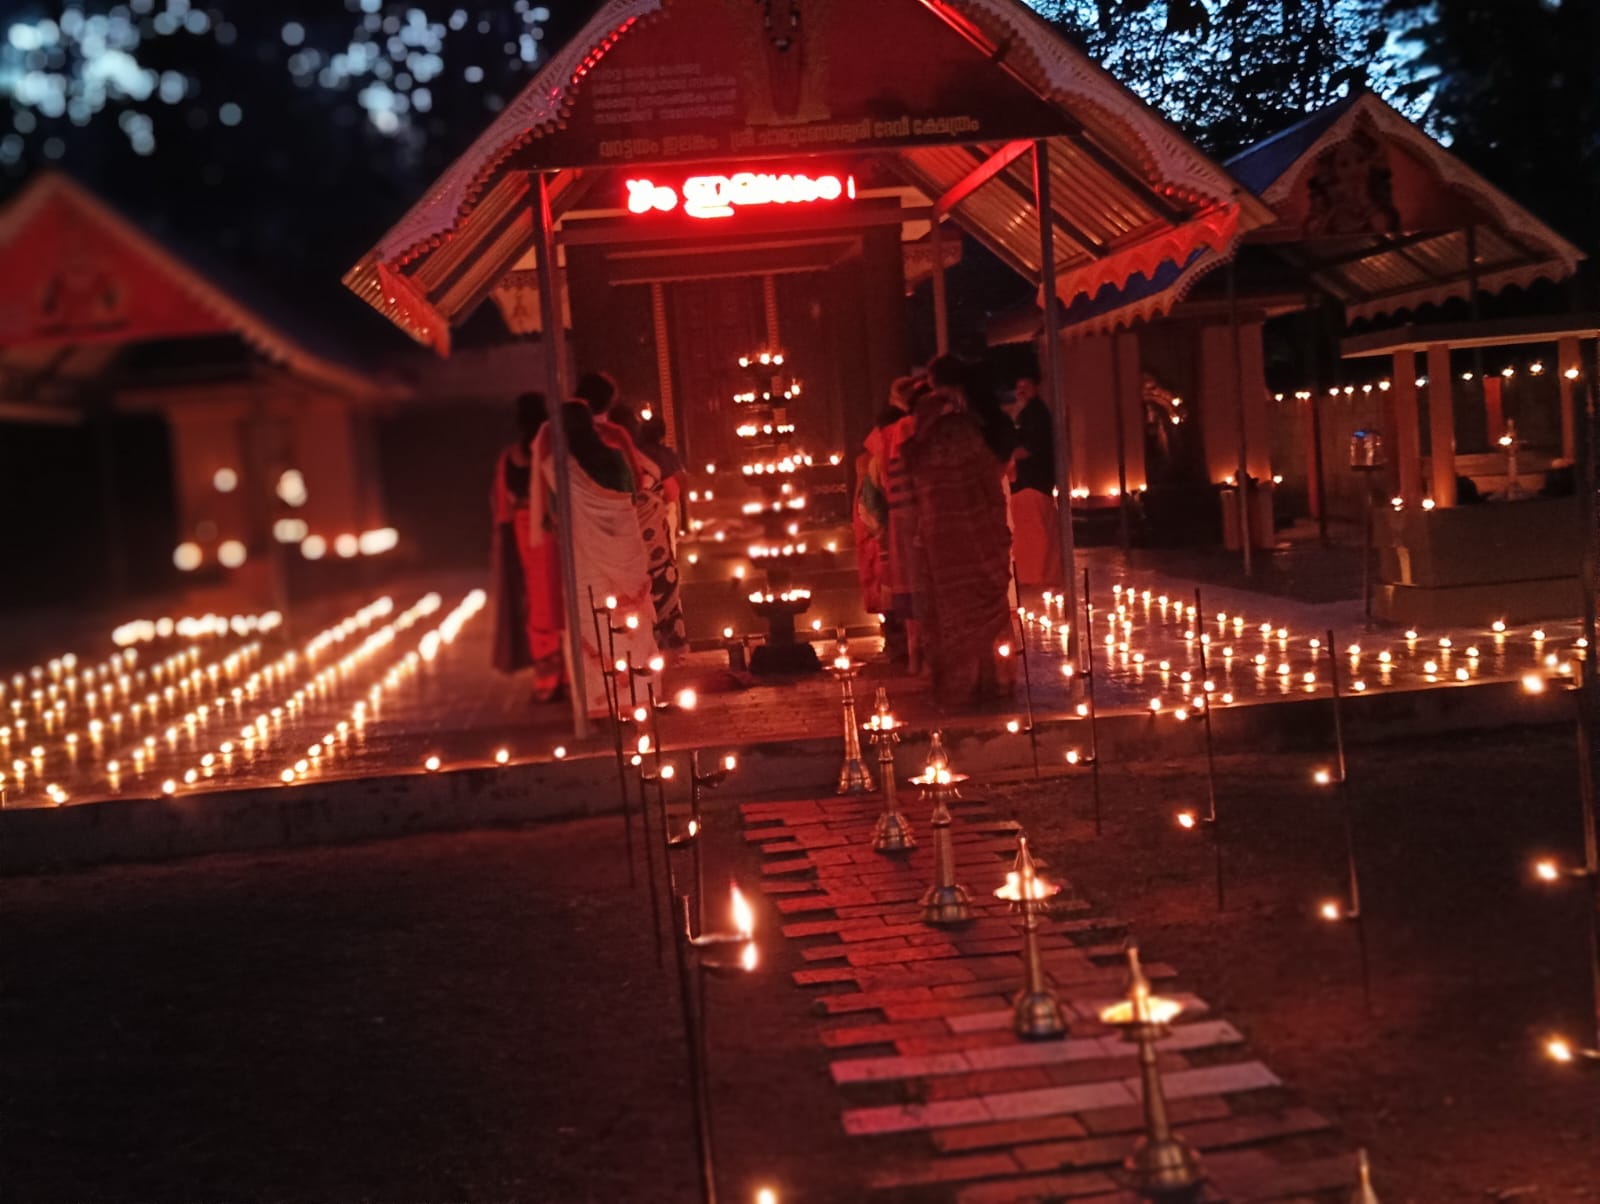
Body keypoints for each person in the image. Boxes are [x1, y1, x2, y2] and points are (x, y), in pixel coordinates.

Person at [528, 401, 659, 717]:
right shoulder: (615, 459)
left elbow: (558, 514)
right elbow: (633, 494)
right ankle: (639, 697)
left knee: (595, 620)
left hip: (585, 557)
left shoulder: (562, 470)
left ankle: (603, 704)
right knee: (630, 621)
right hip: (627, 552)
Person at [902, 370, 1014, 705]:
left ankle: (958, 688)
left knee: (952, 617)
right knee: (987, 616)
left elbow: (916, 503)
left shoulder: (922, 455)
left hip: (944, 550)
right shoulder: (974, 443)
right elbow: (993, 493)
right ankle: (995, 684)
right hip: (981, 543)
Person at [490, 392, 566, 699]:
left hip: (528, 535)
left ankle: (548, 679)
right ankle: (568, 675)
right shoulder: (556, 451)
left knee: (539, 602)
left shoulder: (510, 457)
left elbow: (502, 506)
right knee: (560, 598)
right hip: (558, 534)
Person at [610, 402, 689, 652]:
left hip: (628, 542)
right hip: (650, 539)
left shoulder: (616, 458)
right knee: (658, 589)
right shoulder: (647, 458)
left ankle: (643, 649)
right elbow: (673, 491)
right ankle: (663, 644)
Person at [1007, 369, 1063, 590]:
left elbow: (1029, 447)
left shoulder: (1036, 414)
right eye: (1018, 388)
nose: (1021, 392)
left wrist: (1007, 456)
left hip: (1032, 482)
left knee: (1034, 533)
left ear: (1035, 387)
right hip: (1034, 483)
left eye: (1025, 387)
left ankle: (1036, 577)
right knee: (1037, 531)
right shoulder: (1028, 413)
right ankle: (1040, 575)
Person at [636, 414, 687, 543]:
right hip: (666, 505)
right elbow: (681, 479)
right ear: (661, 435)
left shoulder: (636, 453)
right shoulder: (667, 454)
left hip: (641, 509)